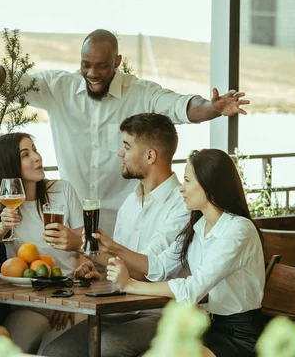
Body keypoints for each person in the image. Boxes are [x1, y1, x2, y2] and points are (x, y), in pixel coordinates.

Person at [0, 29, 250, 235]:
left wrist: (213, 108)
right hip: (72, 230)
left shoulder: (139, 92)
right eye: (86, 65)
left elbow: (181, 106)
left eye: (101, 66)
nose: (92, 73)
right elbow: (11, 84)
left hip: (124, 227)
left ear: (116, 61)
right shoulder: (59, 88)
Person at [43, 113, 190, 357]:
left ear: (150, 155)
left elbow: (146, 271)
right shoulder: (131, 201)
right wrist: (97, 269)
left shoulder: (182, 206)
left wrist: (82, 246)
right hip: (120, 309)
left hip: (163, 313)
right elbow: (121, 264)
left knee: (107, 348)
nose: (120, 153)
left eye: (126, 146)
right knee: (55, 352)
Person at [105, 149, 265, 357]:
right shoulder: (198, 227)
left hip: (241, 337)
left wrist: (131, 285)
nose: (181, 189)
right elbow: (159, 266)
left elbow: (193, 288)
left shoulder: (239, 230)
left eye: (187, 181)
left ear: (210, 185)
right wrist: (108, 248)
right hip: (207, 328)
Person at [0, 132, 85, 354]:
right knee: (7, 352)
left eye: (35, 150)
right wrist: (3, 226)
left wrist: (72, 298)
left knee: (50, 352)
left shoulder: (62, 190)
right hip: (28, 303)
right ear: (10, 164)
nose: (37, 157)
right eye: (25, 154)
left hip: (67, 299)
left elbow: (84, 248)